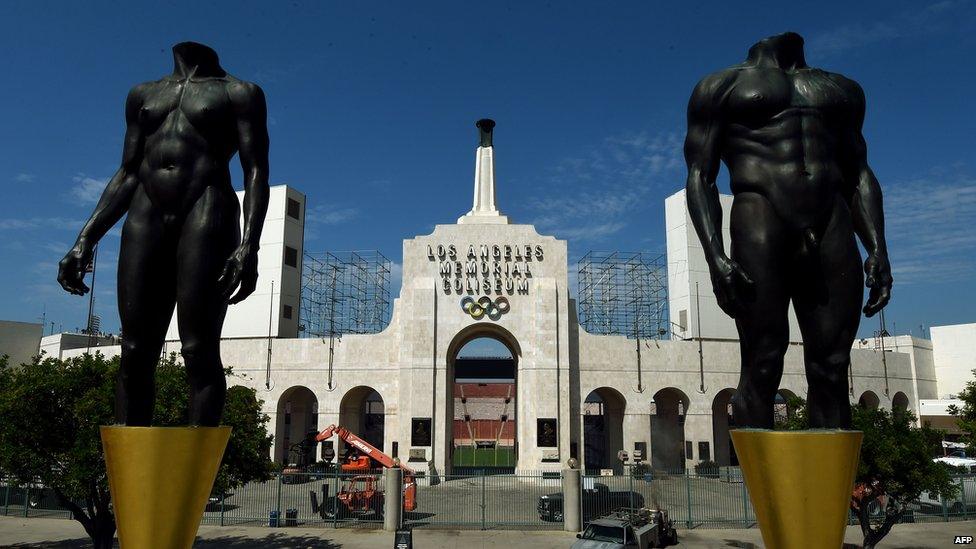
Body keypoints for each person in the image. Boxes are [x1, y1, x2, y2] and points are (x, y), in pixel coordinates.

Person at [684, 32, 892, 429]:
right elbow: (700, 175)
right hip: (761, 214)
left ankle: (826, 491)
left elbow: (859, 171)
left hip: (830, 218)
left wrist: (878, 248)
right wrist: (716, 257)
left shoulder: (843, 90)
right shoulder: (721, 86)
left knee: (832, 364)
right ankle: (764, 491)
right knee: (763, 360)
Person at [57, 42, 270, 427]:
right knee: (135, 350)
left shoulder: (239, 92)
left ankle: (192, 483)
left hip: (206, 208)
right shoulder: (143, 94)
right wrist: (86, 238)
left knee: (198, 348)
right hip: (146, 212)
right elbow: (127, 172)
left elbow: (255, 170)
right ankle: (133, 479)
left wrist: (248, 246)